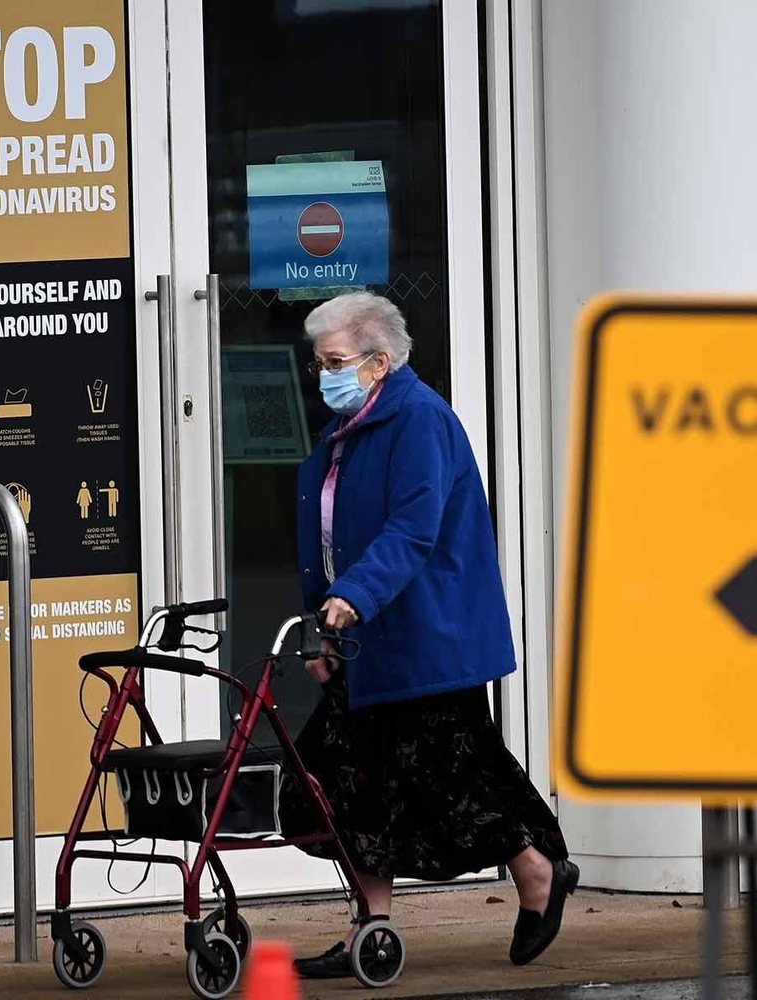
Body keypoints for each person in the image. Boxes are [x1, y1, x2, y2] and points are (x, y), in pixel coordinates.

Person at [280, 291, 577, 977]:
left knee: (455, 773)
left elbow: (413, 528)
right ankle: (372, 930)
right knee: (345, 783)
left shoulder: (419, 421)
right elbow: (329, 535)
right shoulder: (353, 427)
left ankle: (538, 872)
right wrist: (324, 620)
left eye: (334, 361)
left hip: (426, 637)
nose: (322, 374)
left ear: (380, 362)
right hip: (365, 637)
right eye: (317, 362)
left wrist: (352, 596)